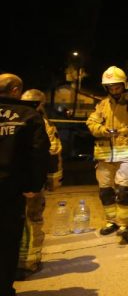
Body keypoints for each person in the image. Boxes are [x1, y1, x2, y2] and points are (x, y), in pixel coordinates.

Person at [0, 74, 50, 296]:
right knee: (7, 240)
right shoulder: (28, 115)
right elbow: (38, 153)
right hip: (10, 189)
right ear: (15, 90)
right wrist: (33, 185)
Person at [86, 66, 128, 236]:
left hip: (127, 153)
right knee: (105, 191)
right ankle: (111, 221)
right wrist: (103, 130)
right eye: (111, 88)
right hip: (104, 155)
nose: (114, 91)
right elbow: (91, 123)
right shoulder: (102, 105)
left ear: (124, 85)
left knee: (124, 190)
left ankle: (125, 223)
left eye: (117, 87)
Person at [16, 89, 63, 280]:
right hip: (31, 182)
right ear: (41, 104)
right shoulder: (42, 123)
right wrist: (52, 181)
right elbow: (53, 152)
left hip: (11, 180)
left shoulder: (12, 118)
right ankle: (28, 263)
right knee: (32, 220)